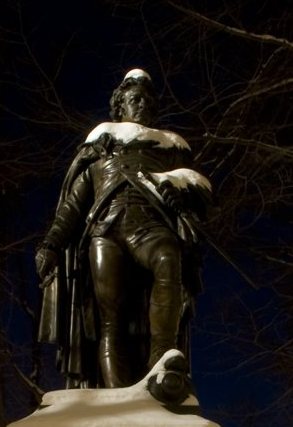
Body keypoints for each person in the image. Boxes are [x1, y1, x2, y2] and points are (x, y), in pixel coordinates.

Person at [36, 69, 210, 388]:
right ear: (121, 106)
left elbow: (199, 186)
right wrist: (51, 243)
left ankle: (162, 362)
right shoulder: (99, 144)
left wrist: (179, 188)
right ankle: (117, 393)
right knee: (109, 317)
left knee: (168, 257)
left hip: (150, 226)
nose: (141, 104)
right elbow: (74, 204)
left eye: (147, 99)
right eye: (134, 99)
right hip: (105, 231)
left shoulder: (170, 145)